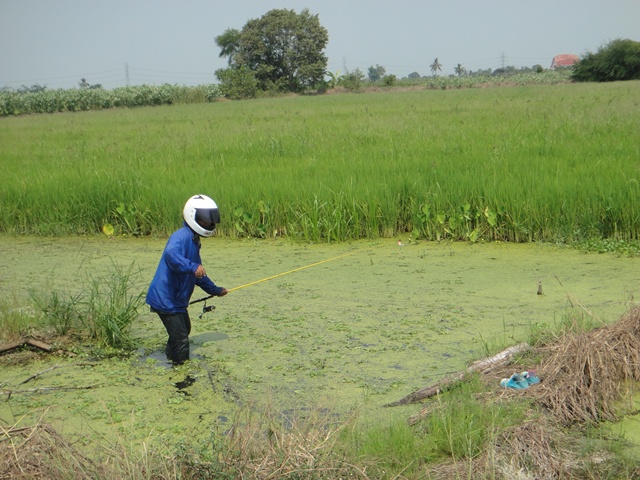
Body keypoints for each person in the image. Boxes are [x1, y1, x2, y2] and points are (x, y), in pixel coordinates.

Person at [146, 194, 228, 365]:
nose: (209, 224)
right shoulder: (181, 237)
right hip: (165, 298)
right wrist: (192, 266)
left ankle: (169, 357)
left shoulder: (194, 240)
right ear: (192, 216)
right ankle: (181, 374)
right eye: (205, 220)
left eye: (210, 220)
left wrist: (215, 290)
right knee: (181, 337)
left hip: (177, 300)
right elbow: (171, 255)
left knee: (184, 329)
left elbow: (198, 275)